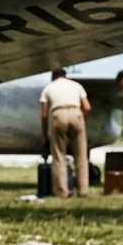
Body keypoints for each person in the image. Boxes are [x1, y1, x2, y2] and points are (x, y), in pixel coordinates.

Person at [38, 68, 90, 197]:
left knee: (59, 155)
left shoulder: (48, 88)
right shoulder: (77, 85)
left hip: (59, 113)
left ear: (53, 77)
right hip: (76, 113)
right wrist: (81, 119)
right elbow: (88, 107)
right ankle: (83, 190)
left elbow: (44, 115)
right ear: (65, 75)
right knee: (81, 155)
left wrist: (45, 136)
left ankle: (62, 191)